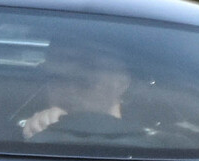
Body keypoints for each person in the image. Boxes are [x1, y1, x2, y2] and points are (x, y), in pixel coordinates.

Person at [17, 38, 173, 146]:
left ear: (122, 82)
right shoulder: (15, 139)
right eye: (58, 79)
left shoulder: (165, 145)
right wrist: (31, 137)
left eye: (84, 81)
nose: (70, 90)